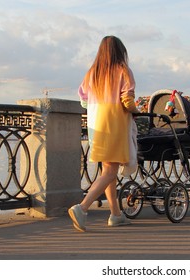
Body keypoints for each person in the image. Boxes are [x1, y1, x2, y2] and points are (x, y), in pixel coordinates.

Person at [68, 35, 139, 232]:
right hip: (115, 123)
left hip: (96, 124)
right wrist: (137, 110)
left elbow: (83, 100)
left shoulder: (92, 72)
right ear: (120, 51)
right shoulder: (123, 71)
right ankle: (82, 208)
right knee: (110, 171)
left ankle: (116, 215)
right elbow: (127, 100)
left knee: (108, 171)